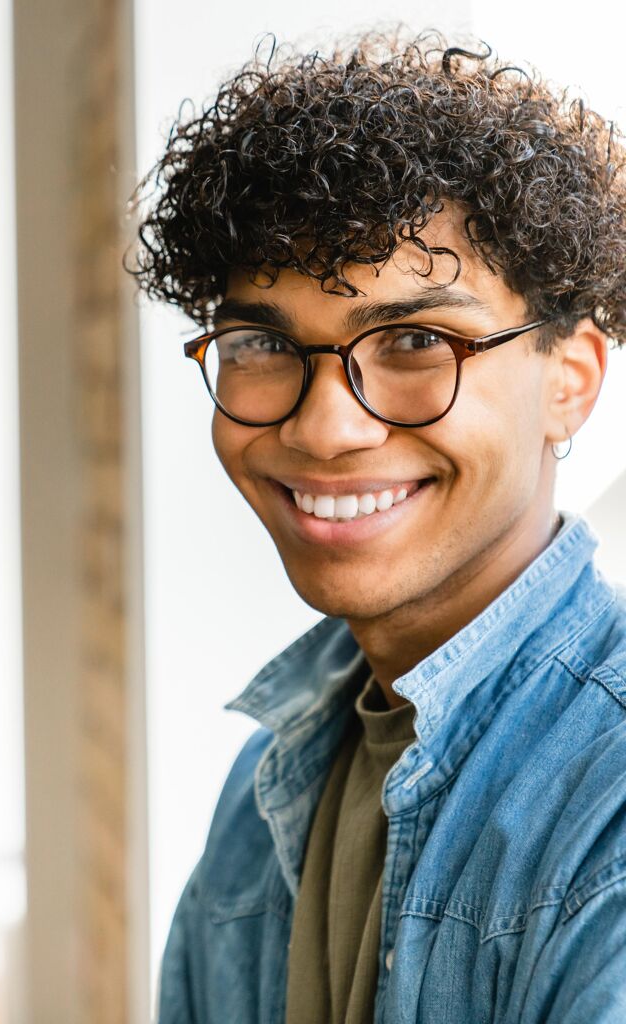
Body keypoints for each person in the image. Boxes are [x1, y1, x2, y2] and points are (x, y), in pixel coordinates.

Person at [129, 29, 626, 1024]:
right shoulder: (266, 783)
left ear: (567, 383)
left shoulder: (604, 802)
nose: (324, 425)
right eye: (263, 342)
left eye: (413, 339)